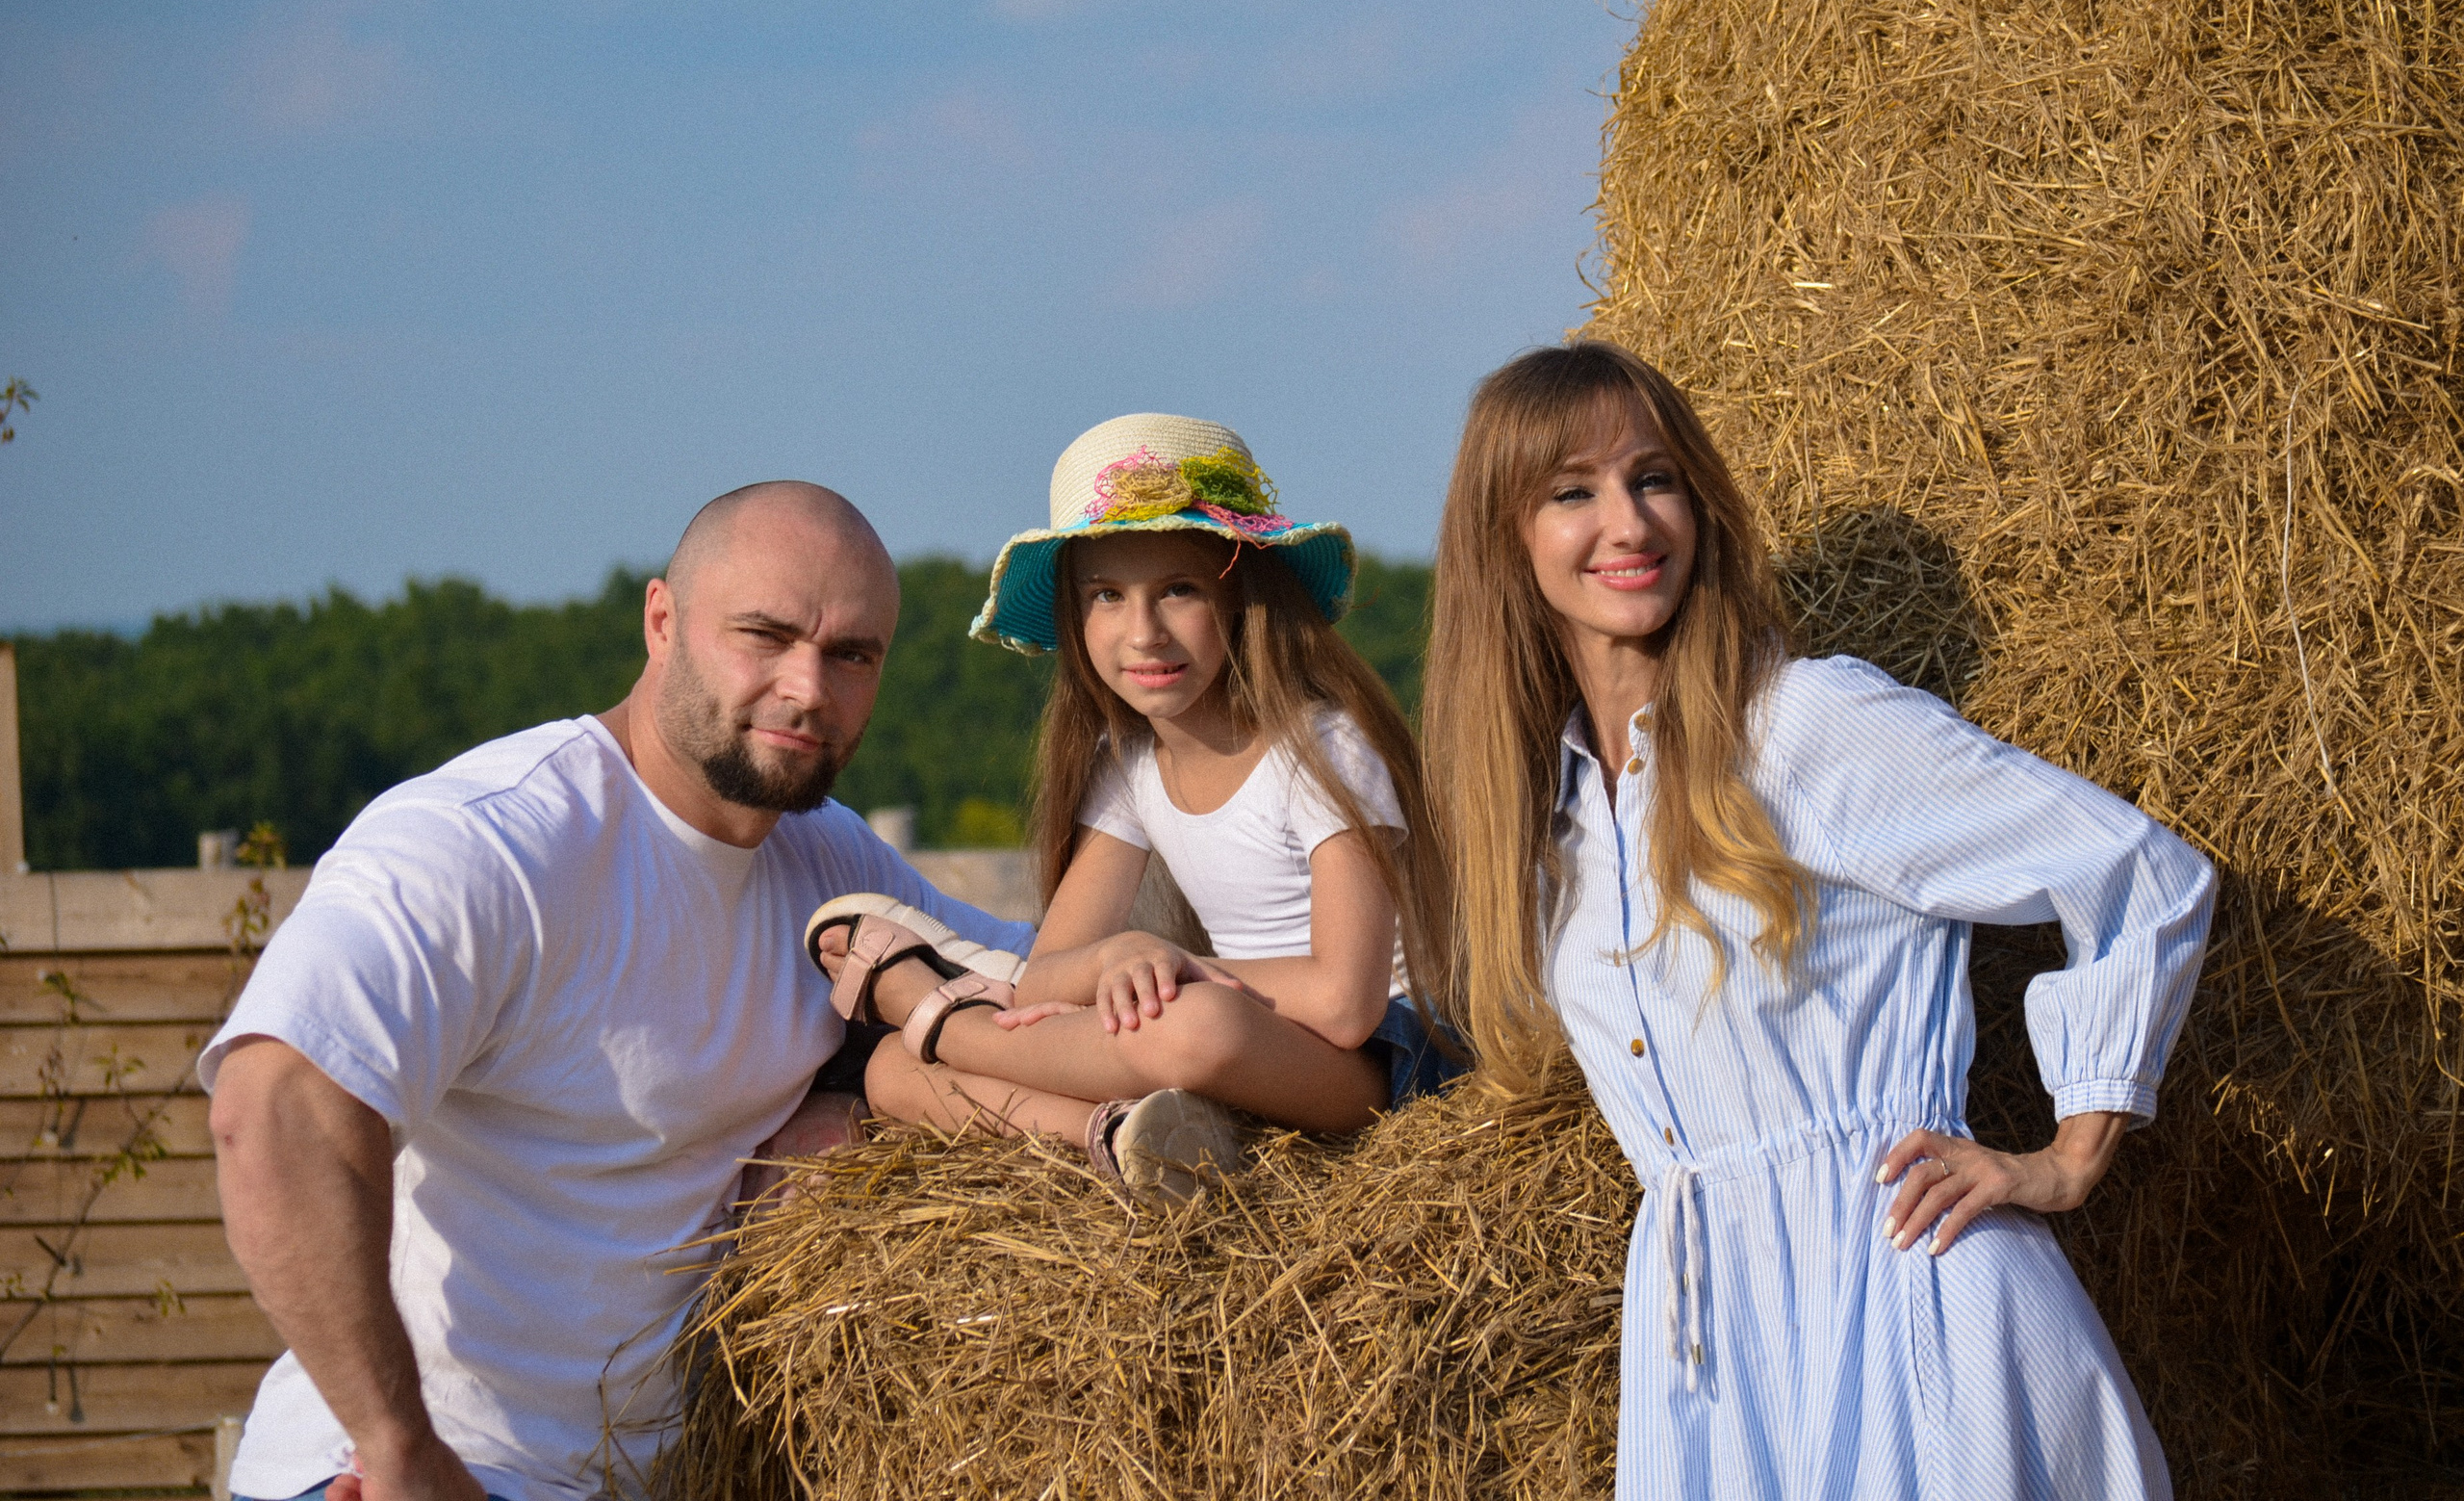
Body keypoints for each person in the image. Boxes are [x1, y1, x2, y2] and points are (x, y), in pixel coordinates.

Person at [1420, 342, 2214, 1500]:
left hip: (1910, 1305)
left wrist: (2065, 1157)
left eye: (1654, 478)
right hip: (1711, 1361)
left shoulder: (1803, 725)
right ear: (1505, 540)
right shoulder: (1549, 822)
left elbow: (2137, 871)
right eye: (1571, 492)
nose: (1628, 523)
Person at [201, 482, 1034, 1501]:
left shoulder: (827, 864)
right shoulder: (491, 843)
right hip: (408, 1477)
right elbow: (276, 1103)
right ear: (661, 622)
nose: (808, 687)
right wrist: (398, 1445)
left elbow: (1040, 987)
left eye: (851, 654)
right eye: (764, 635)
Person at [817, 414, 1454, 1201]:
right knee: (887, 1073)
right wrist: (1115, 961)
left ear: (1242, 595)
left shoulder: (1324, 747)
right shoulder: (1130, 767)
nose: (1143, 632)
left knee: (1194, 1025)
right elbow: (1050, 977)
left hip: (1386, 1064)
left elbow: (1347, 1002)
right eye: (1108, 596)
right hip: (1236, 1054)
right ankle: (1114, 1137)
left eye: (1179, 590)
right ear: (1074, 618)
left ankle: (947, 1021)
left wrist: (1186, 971)